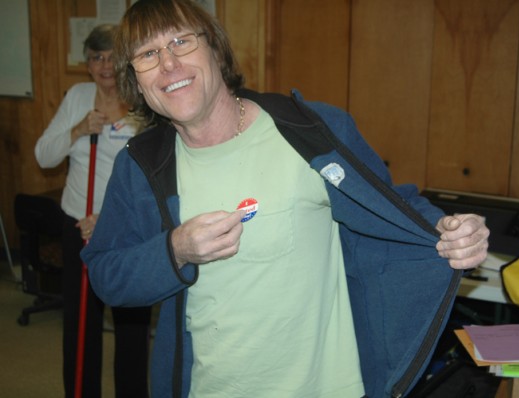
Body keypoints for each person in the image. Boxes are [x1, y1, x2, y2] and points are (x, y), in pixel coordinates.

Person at [81, 1, 489, 397]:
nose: (168, 64)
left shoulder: (309, 129)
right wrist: (176, 250)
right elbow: (107, 273)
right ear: (135, 80)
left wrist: (447, 229)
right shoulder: (141, 166)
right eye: (148, 54)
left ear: (215, 48)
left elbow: (390, 206)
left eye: (181, 42)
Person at [34, 24, 151, 398]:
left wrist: (111, 219)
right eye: (96, 57)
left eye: (112, 57)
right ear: (87, 64)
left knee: (131, 325)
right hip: (77, 225)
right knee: (80, 322)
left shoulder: (144, 103)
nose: (104, 65)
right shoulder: (78, 98)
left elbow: (151, 178)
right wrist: (78, 130)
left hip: (125, 231)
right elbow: (43, 155)